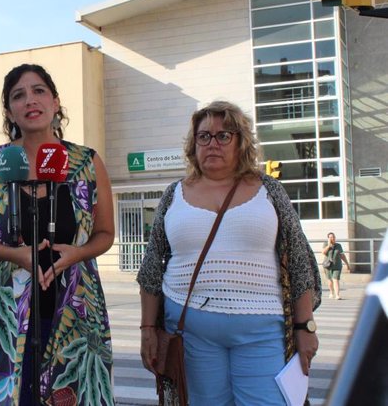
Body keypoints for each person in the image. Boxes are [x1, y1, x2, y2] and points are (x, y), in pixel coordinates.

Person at [137, 101, 322, 406]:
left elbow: (299, 261)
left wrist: (305, 327)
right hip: (190, 333)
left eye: (224, 136)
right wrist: (147, 330)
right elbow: (152, 268)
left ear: (241, 143)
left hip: (262, 332)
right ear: (193, 144)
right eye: (204, 136)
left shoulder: (270, 190)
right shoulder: (174, 194)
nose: (213, 143)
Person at [0, 64, 115, 405]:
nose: (30, 99)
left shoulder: (87, 162)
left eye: (39, 90)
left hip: (74, 308)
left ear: (56, 102)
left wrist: (77, 254)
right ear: (9, 110)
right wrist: (11, 254)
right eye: (19, 95)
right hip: (5, 312)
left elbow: (104, 234)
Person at [322, 232, 351, 300]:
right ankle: (331, 292)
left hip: (337, 265)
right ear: (328, 238)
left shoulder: (338, 245)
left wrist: (347, 264)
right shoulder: (325, 244)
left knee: (335, 279)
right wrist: (329, 246)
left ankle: (337, 295)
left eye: (333, 237)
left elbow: (342, 255)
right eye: (331, 237)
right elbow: (323, 252)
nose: (332, 238)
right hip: (327, 265)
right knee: (330, 280)